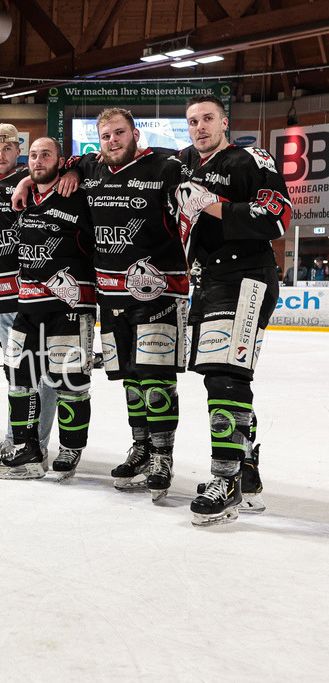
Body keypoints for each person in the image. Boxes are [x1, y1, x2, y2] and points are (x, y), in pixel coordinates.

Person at [50, 109, 189, 500]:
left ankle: (163, 454)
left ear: (135, 133)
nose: (112, 140)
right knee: (130, 379)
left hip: (158, 290)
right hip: (110, 295)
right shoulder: (91, 168)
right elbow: (68, 163)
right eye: (105, 135)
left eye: (119, 133)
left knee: (156, 377)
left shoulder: (165, 166)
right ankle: (141, 447)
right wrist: (71, 169)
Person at [176, 94, 291, 526]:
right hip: (206, 284)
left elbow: (278, 216)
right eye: (192, 121)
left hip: (247, 278)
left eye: (207, 119)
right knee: (221, 373)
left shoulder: (250, 159)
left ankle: (224, 481)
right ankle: (245, 468)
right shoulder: (183, 162)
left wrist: (212, 205)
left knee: (226, 374)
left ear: (225, 122)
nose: (199, 126)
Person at [0, 137, 96, 480]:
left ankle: (70, 447)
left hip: (69, 305)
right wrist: (24, 181)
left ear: (60, 160)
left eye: (46, 155)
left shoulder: (79, 194)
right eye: (33, 155)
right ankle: (26, 446)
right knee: (18, 376)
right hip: (28, 304)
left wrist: (76, 169)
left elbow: (98, 158)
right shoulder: (26, 197)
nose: (38, 160)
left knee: (70, 380)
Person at [0, 123, 58, 465]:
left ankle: (30, 441)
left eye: (8, 148)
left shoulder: (34, 178)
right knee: (16, 371)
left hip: (31, 290)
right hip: (0, 294)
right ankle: (18, 437)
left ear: (18, 151)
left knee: (39, 370)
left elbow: (72, 165)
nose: (1, 154)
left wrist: (29, 177)